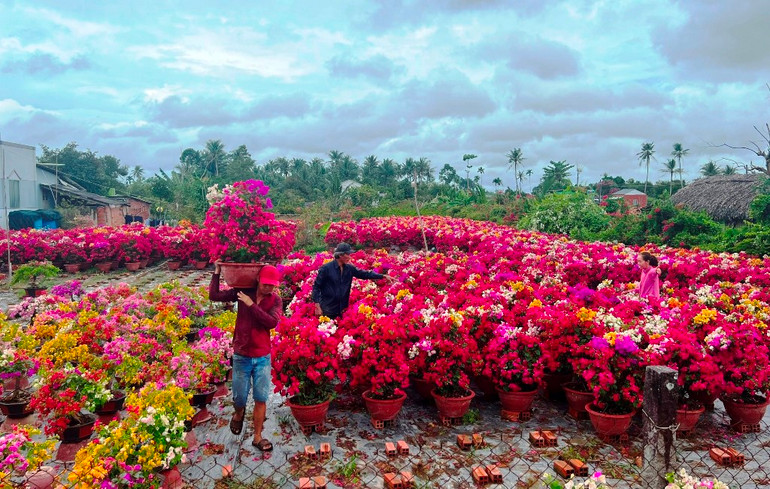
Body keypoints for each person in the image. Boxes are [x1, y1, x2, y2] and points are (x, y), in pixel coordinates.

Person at [209, 263, 282, 451]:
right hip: (242, 354)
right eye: (265, 284)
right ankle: (239, 413)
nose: (268, 288)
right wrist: (217, 272)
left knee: (260, 397)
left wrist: (251, 306)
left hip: (262, 356)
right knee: (239, 397)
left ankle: (257, 437)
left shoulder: (275, 300)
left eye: (272, 285)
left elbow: (271, 322)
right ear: (258, 280)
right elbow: (214, 296)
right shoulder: (242, 292)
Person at [312, 242, 395, 319]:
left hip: (343, 309)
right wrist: (317, 307)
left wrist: (382, 276)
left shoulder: (349, 268)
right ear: (340, 255)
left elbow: (364, 274)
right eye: (348, 254)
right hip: (328, 309)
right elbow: (316, 287)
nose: (350, 256)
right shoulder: (326, 269)